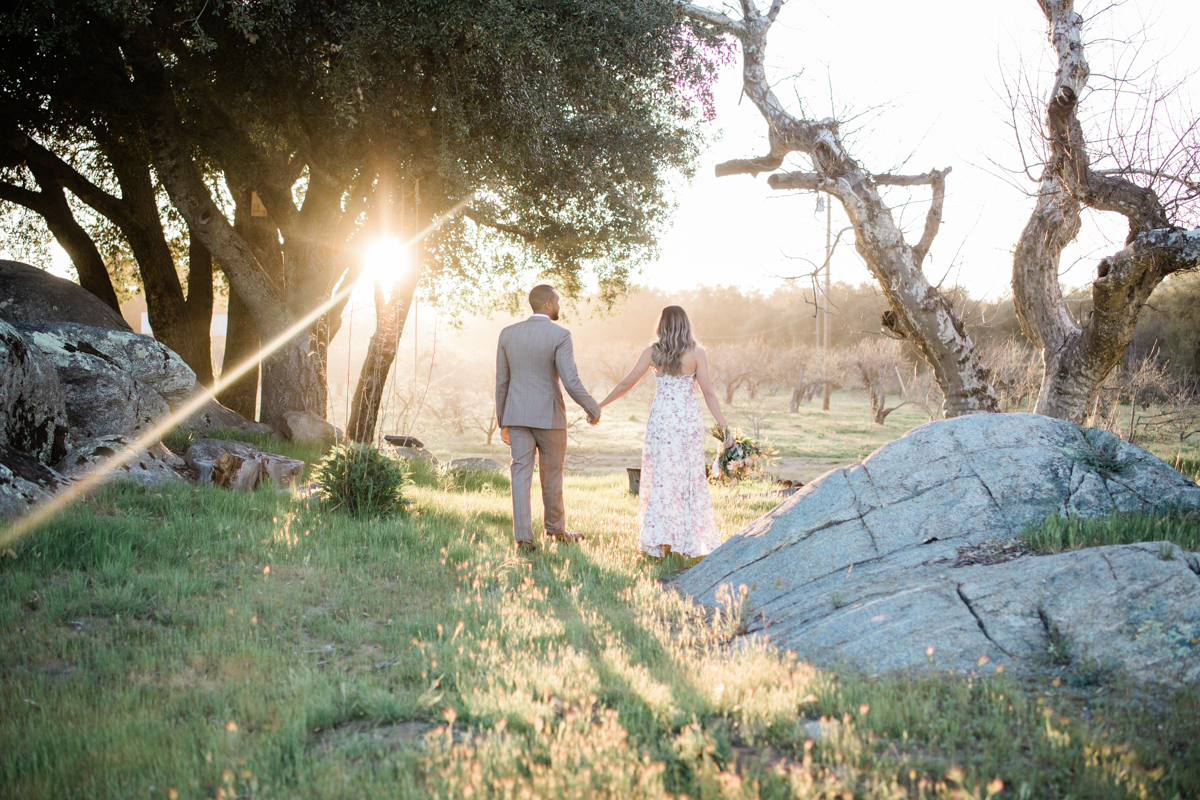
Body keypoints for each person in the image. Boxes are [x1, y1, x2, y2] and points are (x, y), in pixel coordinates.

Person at [598, 306, 733, 558]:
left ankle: (660, 541)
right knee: (688, 480)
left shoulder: (653, 353)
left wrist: (600, 405)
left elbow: (627, 383)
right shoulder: (697, 353)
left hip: (662, 423)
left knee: (661, 478)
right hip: (687, 424)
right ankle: (685, 539)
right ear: (685, 325)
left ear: (662, 325)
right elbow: (709, 393)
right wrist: (724, 427)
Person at [495, 284, 601, 552]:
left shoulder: (507, 334)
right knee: (551, 475)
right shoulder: (560, 335)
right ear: (547, 305)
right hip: (550, 416)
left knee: (520, 475)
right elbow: (570, 379)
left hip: (516, 415)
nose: (559, 306)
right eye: (557, 301)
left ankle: (524, 538)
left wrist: (503, 420)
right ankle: (554, 531)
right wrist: (592, 407)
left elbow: (501, 381)